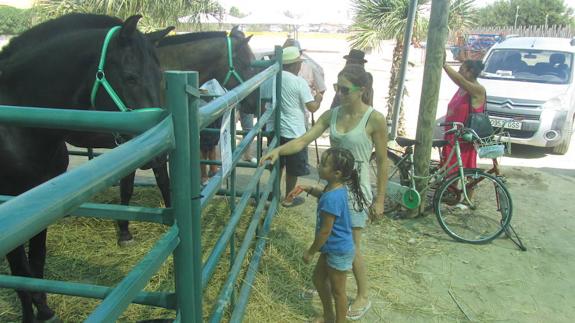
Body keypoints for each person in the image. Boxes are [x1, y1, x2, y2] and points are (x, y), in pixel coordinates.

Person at [260, 64, 388, 320]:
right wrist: (278, 151)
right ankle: (328, 283)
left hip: (357, 191)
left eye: (345, 89)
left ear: (362, 90)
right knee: (333, 241)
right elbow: (303, 140)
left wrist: (380, 199)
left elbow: (383, 161)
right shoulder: (333, 114)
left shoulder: (374, 118)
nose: (339, 93)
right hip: (335, 186)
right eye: (336, 88)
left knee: (351, 246)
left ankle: (362, 295)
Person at [292, 147, 369, 323]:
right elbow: (323, 194)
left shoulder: (332, 198)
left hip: (338, 250)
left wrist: (311, 251)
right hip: (332, 248)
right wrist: (307, 188)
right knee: (318, 279)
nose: (319, 166)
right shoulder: (334, 187)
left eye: (323, 164)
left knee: (338, 291)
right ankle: (328, 316)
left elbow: (325, 231)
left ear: (336, 173)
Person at [266, 46, 323, 207]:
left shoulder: (271, 77)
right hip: (294, 131)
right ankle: (288, 198)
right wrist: (318, 99)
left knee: (277, 164)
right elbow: (312, 107)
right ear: (293, 65)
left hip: (274, 128)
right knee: (293, 168)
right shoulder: (299, 82)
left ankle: (273, 194)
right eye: (298, 63)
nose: (300, 66)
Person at [442, 59, 486, 170]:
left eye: (461, 69)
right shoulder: (462, 88)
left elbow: (460, 80)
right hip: (452, 137)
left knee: (456, 173)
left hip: (463, 139)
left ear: (470, 72)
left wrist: (445, 65)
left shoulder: (478, 89)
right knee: (448, 173)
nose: (458, 71)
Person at [283, 38, 327, 130]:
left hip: (301, 116)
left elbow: (321, 89)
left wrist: (315, 100)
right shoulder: (276, 69)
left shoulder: (311, 67)